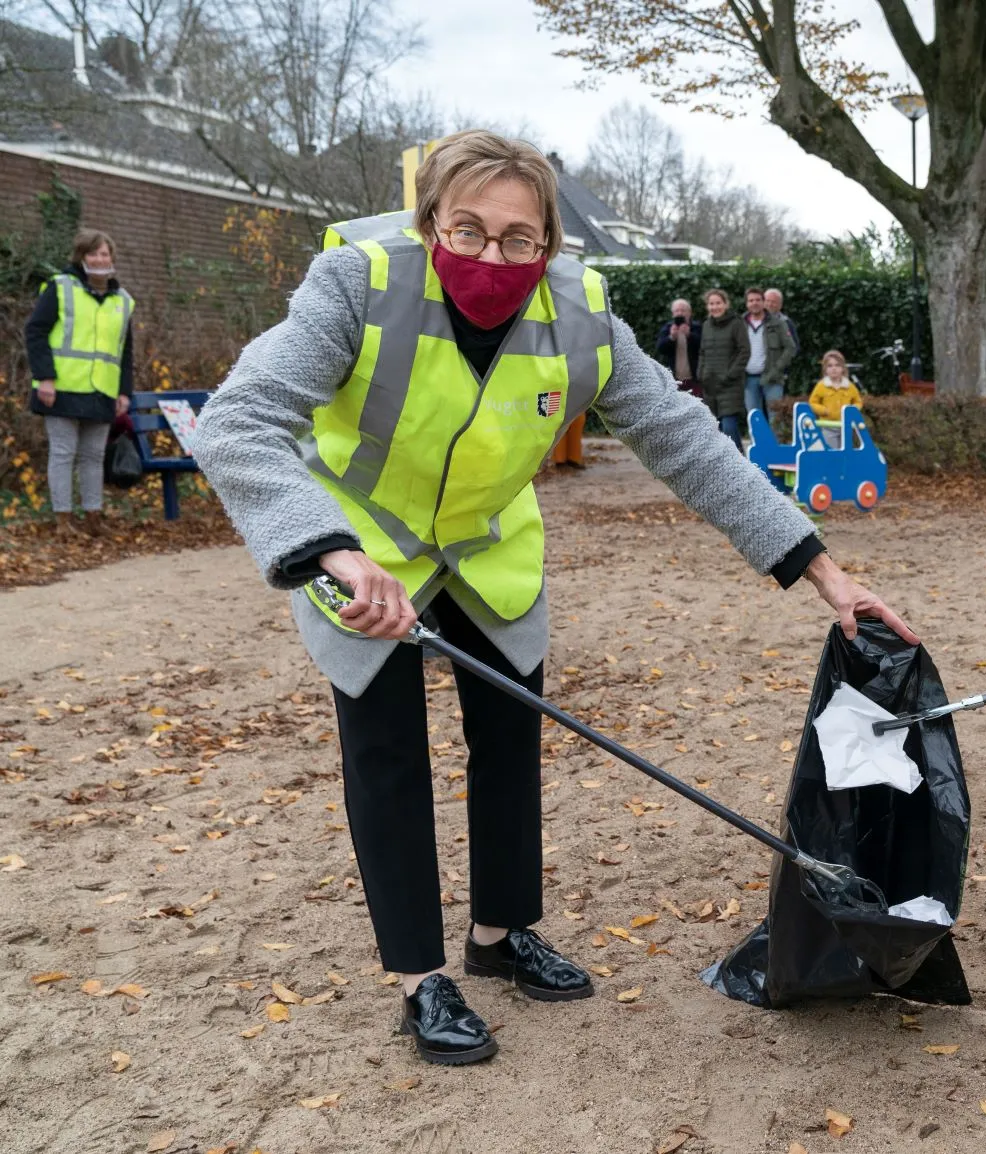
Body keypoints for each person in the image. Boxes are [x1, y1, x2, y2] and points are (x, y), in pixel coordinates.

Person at [195, 131, 917, 1067]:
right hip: (362, 551)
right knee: (388, 759)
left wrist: (822, 570)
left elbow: (686, 441)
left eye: (518, 239)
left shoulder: (582, 319)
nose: (492, 256)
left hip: (491, 548)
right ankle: (421, 980)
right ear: (429, 224)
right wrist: (328, 550)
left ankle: (497, 940)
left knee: (509, 743)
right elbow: (241, 420)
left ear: (549, 246)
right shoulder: (355, 287)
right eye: (468, 230)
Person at [24, 228, 135, 536]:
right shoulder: (60, 288)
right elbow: (36, 331)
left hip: (102, 391)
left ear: (111, 258)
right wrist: (44, 377)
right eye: (93, 253)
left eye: (105, 254)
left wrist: (124, 391)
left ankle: (93, 518)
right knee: (63, 453)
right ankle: (63, 521)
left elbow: (125, 352)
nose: (100, 259)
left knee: (93, 456)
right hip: (59, 388)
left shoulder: (123, 301)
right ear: (81, 257)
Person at [697, 288, 750, 448]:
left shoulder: (736, 324)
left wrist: (730, 375)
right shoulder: (706, 325)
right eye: (711, 304)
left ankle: (739, 462)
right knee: (715, 428)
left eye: (718, 303)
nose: (715, 307)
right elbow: (702, 352)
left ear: (726, 304)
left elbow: (744, 351)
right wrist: (701, 373)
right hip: (710, 385)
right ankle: (722, 466)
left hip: (730, 385)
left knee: (729, 426)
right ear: (707, 306)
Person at [741, 286, 792, 417]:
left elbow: (790, 348)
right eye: (751, 300)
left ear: (763, 302)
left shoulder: (778, 323)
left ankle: (775, 439)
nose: (754, 303)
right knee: (754, 419)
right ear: (747, 303)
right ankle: (756, 439)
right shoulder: (740, 324)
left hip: (772, 378)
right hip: (748, 379)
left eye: (758, 299)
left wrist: (776, 369)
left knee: (775, 418)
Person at [808, 350, 862, 448]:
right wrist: (823, 410)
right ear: (825, 369)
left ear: (843, 368)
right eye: (830, 366)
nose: (834, 369)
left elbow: (858, 401)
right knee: (831, 452)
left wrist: (852, 410)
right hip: (828, 426)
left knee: (846, 452)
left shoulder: (850, 386)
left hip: (846, 426)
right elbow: (812, 402)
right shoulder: (821, 386)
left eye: (837, 365)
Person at [654, 297, 702, 396]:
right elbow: (660, 349)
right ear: (673, 314)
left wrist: (690, 335)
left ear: (689, 312)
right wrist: (671, 337)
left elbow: (704, 346)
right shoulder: (668, 328)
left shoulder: (697, 327)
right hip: (674, 380)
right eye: (677, 311)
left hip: (695, 379)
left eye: (683, 310)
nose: (680, 313)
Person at [764, 287, 799, 358]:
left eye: (773, 302)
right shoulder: (751, 321)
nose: (770, 304)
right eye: (767, 301)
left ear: (780, 305)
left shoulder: (786, 322)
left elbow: (795, 347)